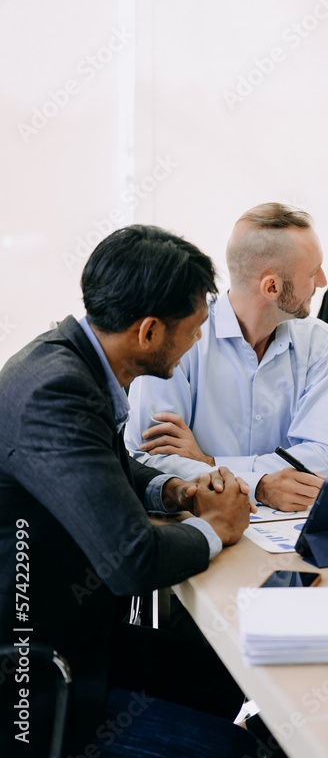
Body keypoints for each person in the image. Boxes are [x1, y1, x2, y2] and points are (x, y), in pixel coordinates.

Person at [0, 225, 268, 758]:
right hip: (36, 671)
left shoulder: (70, 357)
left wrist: (177, 492)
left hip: (81, 630)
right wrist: (217, 525)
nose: (197, 343)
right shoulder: (58, 391)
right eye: (192, 331)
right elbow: (132, 560)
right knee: (241, 750)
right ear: (148, 331)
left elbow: (109, 467)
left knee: (230, 668)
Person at [125, 203, 328, 511]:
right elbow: (146, 463)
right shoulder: (178, 338)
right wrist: (259, 486)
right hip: (200, 525)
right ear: (272, 287)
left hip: (289, 529)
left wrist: (210, 462)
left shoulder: (319, 343)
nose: (323, 281)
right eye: (313, 272)